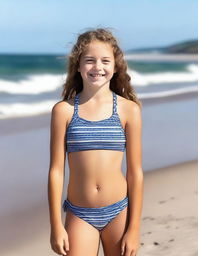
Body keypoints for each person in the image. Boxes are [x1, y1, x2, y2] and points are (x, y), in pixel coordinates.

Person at [47, 28, 144, 256]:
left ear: (116, 66)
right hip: (80, 213)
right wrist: (55, 226)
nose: (97, 67)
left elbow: (135, 172)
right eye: (89, 60)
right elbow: (56, 172)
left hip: (119, 211)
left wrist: (134, 229)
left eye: (105, 61)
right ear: (78, 65)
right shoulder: (64, 111)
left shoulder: (129, 110)